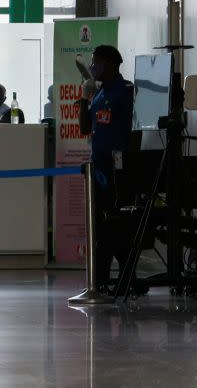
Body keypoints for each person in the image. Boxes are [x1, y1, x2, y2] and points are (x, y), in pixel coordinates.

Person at [78, 45, 134, 288]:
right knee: (100, 226)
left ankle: (121, 278)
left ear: (109, 64)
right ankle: (99, 281)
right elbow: (84, 128)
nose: (92, 68)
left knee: (116, 225)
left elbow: (134, 132)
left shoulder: (126, 92)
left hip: (118, 169)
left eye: (95, 63)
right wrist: (83, 97)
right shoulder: (100, 94)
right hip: (99, 169)